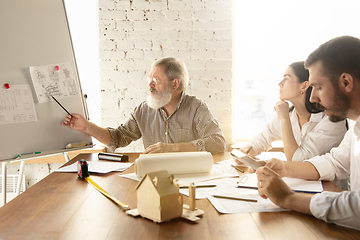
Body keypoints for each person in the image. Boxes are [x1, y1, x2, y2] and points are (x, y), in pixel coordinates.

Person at [254, 36, 360, 230]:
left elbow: (358, 209)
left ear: (346, 82)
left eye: (318, 87)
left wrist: (288, 198)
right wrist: (285, 168)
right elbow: (335, 162)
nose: (313, 97)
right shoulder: (355, 129)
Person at [62, 57, 226, 154]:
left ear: (175, 84)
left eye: (156, 80)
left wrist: (172, 148)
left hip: (191, 180)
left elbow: (218, 142)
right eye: (150, 79)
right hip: (154, 180)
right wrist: (87, 127)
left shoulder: (197, 108)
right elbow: (118, 138)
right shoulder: (143, 110)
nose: (150, 84)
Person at [240, 62, 347, 162]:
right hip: (298, 181)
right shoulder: (291, 115)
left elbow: (296, 160)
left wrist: (284, 119)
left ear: (304, 86)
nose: (279, 83)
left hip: (326, 182)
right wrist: (244, 153)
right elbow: (259, 141)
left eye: (286, 78)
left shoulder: (331, 121)